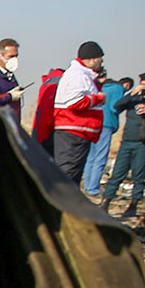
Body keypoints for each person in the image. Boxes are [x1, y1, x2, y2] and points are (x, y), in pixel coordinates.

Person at [99, 73, 145, 217]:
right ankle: (105, 202)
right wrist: (132, 94)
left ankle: (133, 205)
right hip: (127, 140)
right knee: (117, 173)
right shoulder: (134, 98)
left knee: (138, 175)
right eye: (143, 83)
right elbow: (116, 106)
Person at [52, 41, 107, 183]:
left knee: (72, 173)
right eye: (100, 59)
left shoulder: (83, 75)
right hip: (73, 133)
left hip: (77, 132)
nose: (101, 63)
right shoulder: (78, 75)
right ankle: (63, 202)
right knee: (68, 174)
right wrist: (98, 99)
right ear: (93, 59)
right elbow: (74, 102)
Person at [83, 73, 131, 196]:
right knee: (100, 158)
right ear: (127, 84)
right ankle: (93, 189)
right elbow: (115, 108)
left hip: (93, 123)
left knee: (91, 157)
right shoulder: (119, 89)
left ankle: (87, 185)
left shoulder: (101, 86)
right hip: (107, 124)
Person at [0, 38, 23, 117]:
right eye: (11, 56)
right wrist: (9, 96)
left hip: (12, 124)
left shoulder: (10, 75)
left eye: (16, 56)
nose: (14, 60)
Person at [33, 66, 64, 155]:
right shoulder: (56, 82)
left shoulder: (50, 81)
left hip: (42, 131)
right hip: (48, 133)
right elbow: (46, 112)